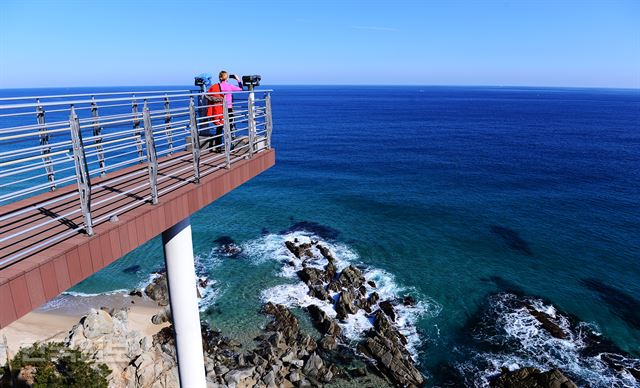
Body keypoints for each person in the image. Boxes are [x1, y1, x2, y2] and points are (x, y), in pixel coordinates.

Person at [203, 71, 243, 152]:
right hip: (228, 109)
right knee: (230, 127)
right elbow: (241, 89)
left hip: (219, 109)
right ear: (227, 78)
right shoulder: (229, 86)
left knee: (219, 128)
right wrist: (238, 79)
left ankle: (218, 147)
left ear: (219, 77)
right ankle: (230, 146)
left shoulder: (216, 86)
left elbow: (208, 94)